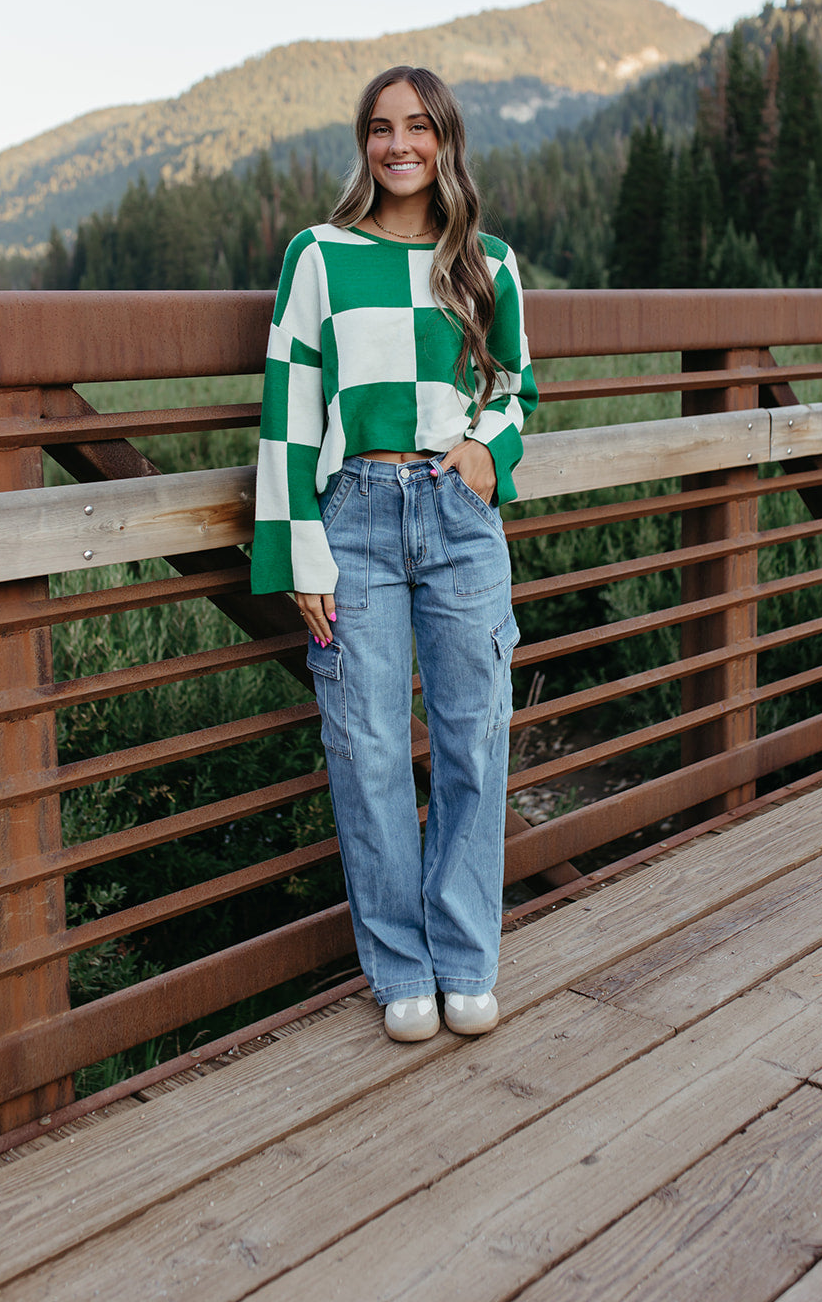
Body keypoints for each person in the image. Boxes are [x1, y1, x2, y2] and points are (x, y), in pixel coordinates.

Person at [251, 65, 538, 1041]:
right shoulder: (319, 256)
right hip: (356, 518)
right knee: (365, 748)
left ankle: (465, 957)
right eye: (380, 128)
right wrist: (296, 549)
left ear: (444, 138)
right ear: (363, 143)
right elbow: (288, 406)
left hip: (457, 517)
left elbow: (514, 390)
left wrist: (484, 453)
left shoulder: (486, 262)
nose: (398, 144)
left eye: (417, 126)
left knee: (473, 737)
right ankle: (401, 966)